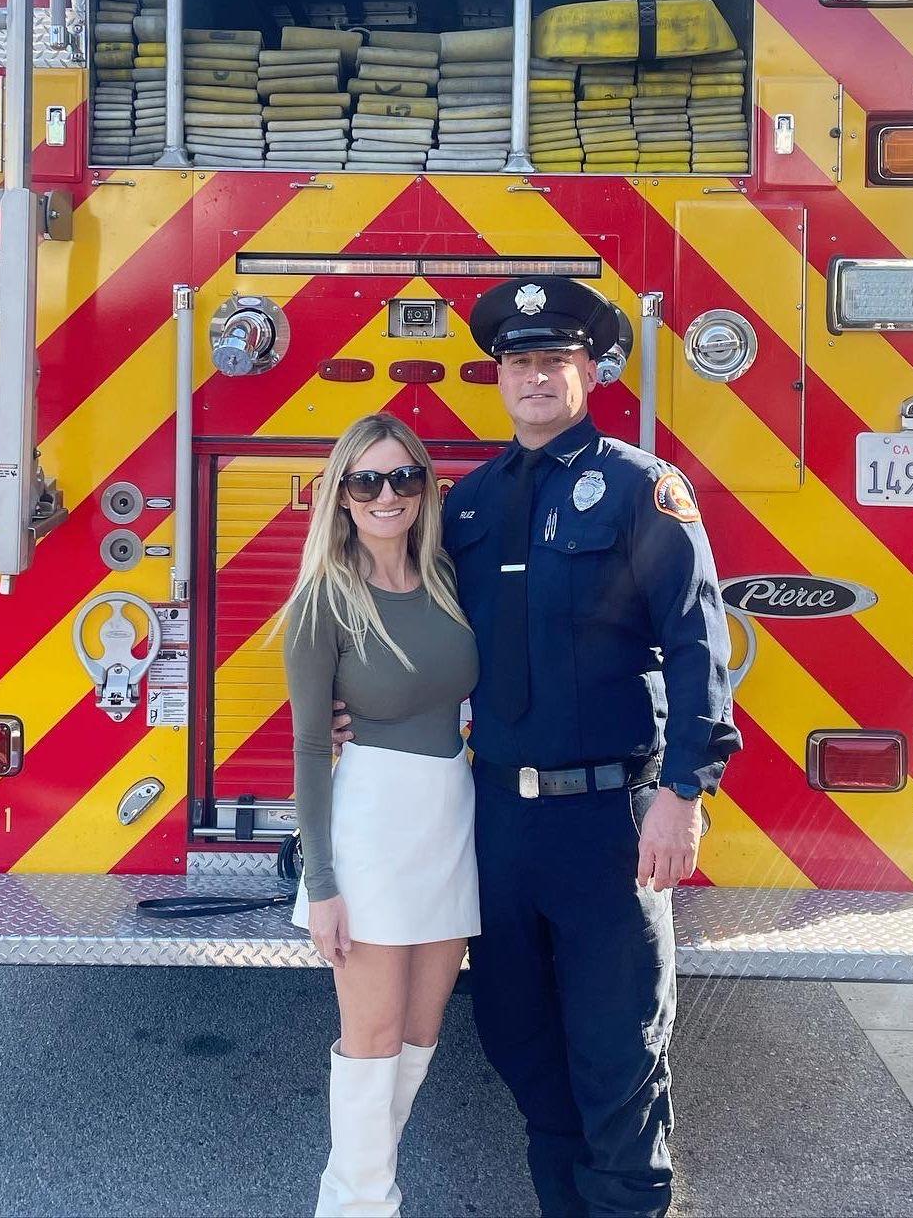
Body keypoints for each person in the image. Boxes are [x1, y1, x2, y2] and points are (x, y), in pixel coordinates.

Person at [335, 277, 739, 1217]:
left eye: (553, 360)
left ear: (589, 370)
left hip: (610, 823)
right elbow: (407, 620)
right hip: (499, 829)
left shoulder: (643, 487)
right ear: (500, 377)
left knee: (619, 1055)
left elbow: (696, 641)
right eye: (518, 362)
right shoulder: (467, 507)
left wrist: (684, 792)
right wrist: (360, 705)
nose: (534, 378)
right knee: (521, 1046)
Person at [277, 411, 480, 1217]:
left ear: (425, 488)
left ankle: (350, 1193)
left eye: (403, 477)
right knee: (371, 1043)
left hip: (449, 823)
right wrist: (321, 883)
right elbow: (305, 750)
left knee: (420, 1039)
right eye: (367, 480)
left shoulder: (444, 580)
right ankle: (365, 1205)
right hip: (369, 834)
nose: (387, 494)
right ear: (342, 496)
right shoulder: (323, 599)